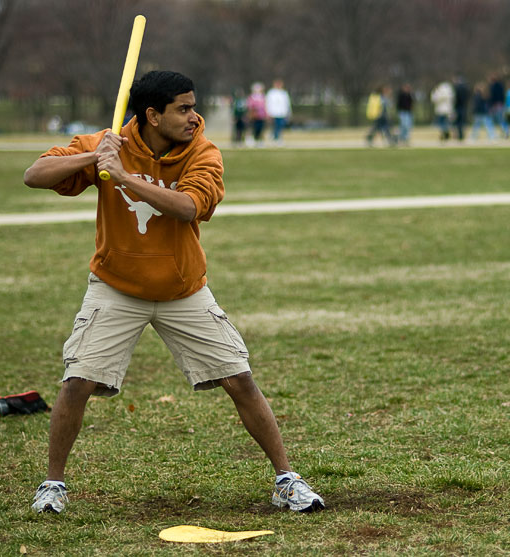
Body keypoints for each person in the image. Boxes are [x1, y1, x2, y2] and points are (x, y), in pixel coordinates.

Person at [23, 70, 324, 515]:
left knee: (239, 377)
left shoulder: (203, 151)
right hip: (116, 286)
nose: (193, 116)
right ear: (151, 115)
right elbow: (34, 174)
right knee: (77, 381)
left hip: (184, 289)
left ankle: (286, 479)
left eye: (193, 106)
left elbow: (188, 207)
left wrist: (123, 177)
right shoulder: (108, 142)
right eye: (182, 108)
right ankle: (53, 486)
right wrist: (90, 161)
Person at [265, 79, 292, 145]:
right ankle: (275, 137)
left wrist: (289, 112)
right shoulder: (271, 93)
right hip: (273, 113)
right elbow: (268, 103)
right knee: (275, 125)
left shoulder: (284, 93)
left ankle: (277, 137)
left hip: (282, 113)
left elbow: (287, 103)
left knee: (280, 125)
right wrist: (268, 112)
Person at [488, 72, 509, 139]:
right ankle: (506, 131)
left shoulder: (493, 86)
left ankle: (494, 134)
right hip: (501, 104)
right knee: (501, 119)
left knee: (493, 119)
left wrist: (492, 105)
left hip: (496, 105)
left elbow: (493, 96)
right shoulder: (501, 86)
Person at [247, 82, 267, 147]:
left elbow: (265, 106)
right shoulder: (252, 97)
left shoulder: (263, 97)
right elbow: (250, 106)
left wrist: (266, 114)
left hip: (261, 116)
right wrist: (251, 113)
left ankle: (259, 140)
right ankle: (252, 139)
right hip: (254, 116)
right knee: (253, 128)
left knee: (260, 128)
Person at [452, 76, 470, 142]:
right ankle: (461, 135)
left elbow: (455, 98)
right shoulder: (466, 88)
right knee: (462, 121)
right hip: (464, 106)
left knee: (457, 122)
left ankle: (459, 135)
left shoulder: (456, 88)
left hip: (458, 106)